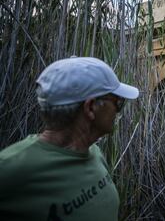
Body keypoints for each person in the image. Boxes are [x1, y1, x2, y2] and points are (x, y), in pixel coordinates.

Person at [0, 56, 139, 221]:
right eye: (118, 102)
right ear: (91, 108)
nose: (118, 110)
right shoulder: (11, 167)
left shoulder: (94, 153)